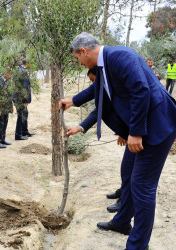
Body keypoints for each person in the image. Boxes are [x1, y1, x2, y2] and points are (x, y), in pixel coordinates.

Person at [60, 32, 176, 250]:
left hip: (156, 127)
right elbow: (97, 88)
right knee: (128, 172)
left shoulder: (119, 57)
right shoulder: (104, 65)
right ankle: (122, 222)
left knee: (143, 186)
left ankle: (137, 245)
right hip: (143, 128)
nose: (78, 63)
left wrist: (135, 132)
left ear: (83, 51)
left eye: (77, 58)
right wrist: (73, 100)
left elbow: (141, 91)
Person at [67, 67, 122, 213]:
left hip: (139, 132)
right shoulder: (104, 84)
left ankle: (124, 201)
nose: (93, 84)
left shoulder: (114, 85)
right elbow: (93, 98)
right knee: (127, 168)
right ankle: (124, 192)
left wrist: (129, 132)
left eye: (93, 80)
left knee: (131, 170)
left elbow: (100, 110)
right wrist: (72, 102)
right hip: (130, 131)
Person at [13, 60, 35, 140]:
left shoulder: (19, 70)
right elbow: (24, 87)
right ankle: (18, 135)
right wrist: (26, 100)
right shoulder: (23, 72)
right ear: (28, 63)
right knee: (21, 115)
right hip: (20, 98)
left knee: (25, 113)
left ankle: (24, 131)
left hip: (17, 97)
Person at [0, 70, 13, 148]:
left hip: (6, 107)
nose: (10, 75)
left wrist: (11, 106)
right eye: (10, 73)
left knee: (4, 124)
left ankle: (2, 139)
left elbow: (9, 95)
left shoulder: (7, 81)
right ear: (5, 73)